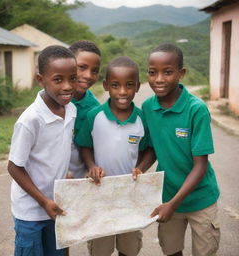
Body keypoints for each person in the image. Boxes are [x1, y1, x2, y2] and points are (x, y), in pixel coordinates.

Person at [142, 43, 220, 256]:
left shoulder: (196, 110)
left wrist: (173, 204)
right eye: (152, 72)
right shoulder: (148, 107)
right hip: (167, 195)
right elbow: (152, 147)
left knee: (204, 252)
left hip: (200, 199)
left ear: (181, 73)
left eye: (167, 72)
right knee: (171, 249)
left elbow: (200, 166)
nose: (158, 79)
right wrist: (140, 168)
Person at [75, 56, 154, 256]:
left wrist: (141, 168)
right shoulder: (95, 116)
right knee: (100, 248)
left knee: (129, 247)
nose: (122, 91)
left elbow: (149, 149)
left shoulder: (141, 119)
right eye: (115, 85)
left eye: (129, 85)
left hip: (129, 194)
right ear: (106, 86)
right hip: (100, 193)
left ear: (138, 86)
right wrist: (91, 165)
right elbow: (84, 145)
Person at [7, 45, 77, 256]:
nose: (67, 86)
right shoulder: (31, 120)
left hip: (55, 205)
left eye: (72, 78)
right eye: (58, 79)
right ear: (41, 79)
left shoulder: (71, 109)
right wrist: (43, 200)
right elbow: (14, 167)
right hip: (30, 211)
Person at [68, 40, 101, 179]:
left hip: (77, 178)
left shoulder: (94, 109)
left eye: (94, 71)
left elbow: (88, 147)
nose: (88, 75)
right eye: (82, 67)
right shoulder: (51, 100)